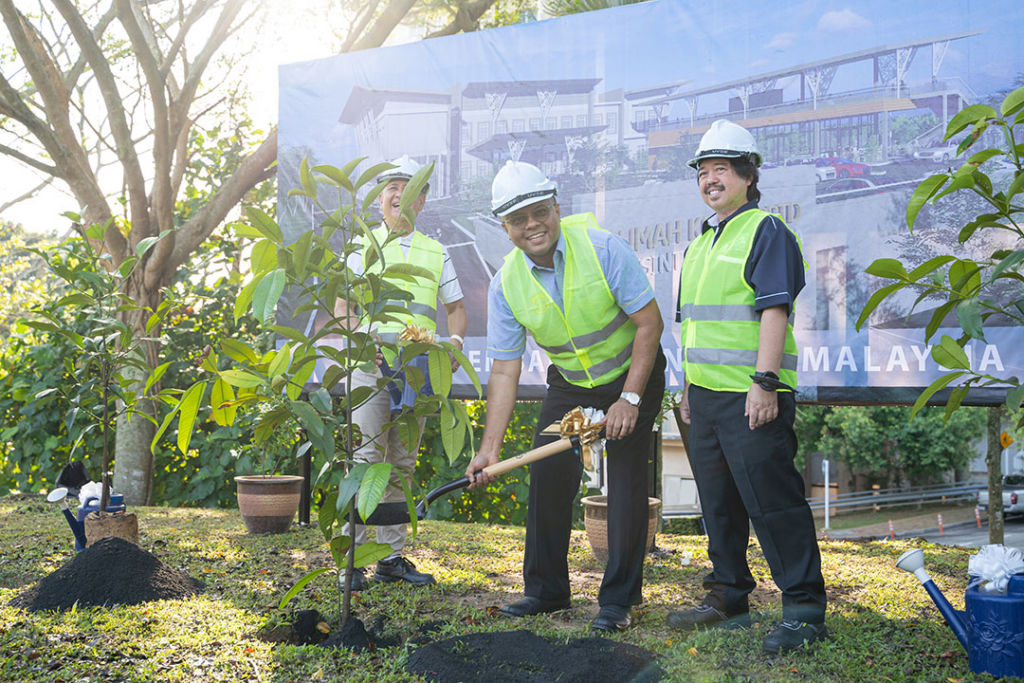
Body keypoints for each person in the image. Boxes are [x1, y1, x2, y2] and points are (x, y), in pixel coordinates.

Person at [465, 160, 666, 633]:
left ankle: (619, 601)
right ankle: (546, 590)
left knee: (625, 477)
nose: (532, 224)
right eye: (518, 219)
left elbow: (649, 324)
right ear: (505, 227)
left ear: (556, 208)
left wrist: (629, 399)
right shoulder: (505, 284)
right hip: (572, 384)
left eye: (540, 212)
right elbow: (504, 369)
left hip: (632, 375)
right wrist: (489, 449)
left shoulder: (603, 249)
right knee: (549, 472)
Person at [665, 120, 827, 653]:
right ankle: (727, 596)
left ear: (748, 175)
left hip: (753, 395)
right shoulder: (698, 245)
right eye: (703, 172)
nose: (710, 180)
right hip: (706, 398)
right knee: (718, 505)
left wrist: (765, 382)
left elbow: (774, 309)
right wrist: (688, 389)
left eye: (721, 169)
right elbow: (693, 326)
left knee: (774, 504)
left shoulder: (767, 231)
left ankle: (804, 614)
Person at [339, 155, 467, 590]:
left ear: (421, 201)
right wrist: (363, 342)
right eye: (390, 187)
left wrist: (454, 343)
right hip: (371, 369)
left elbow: (457, 310)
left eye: (407, 187)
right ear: (379, 199)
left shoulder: (436, 251)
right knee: (364, 458)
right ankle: (351, 560)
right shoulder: (362, 247)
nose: (398, 194)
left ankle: (390, 559)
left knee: (401, 463)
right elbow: (344, 308)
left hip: (418, 372)